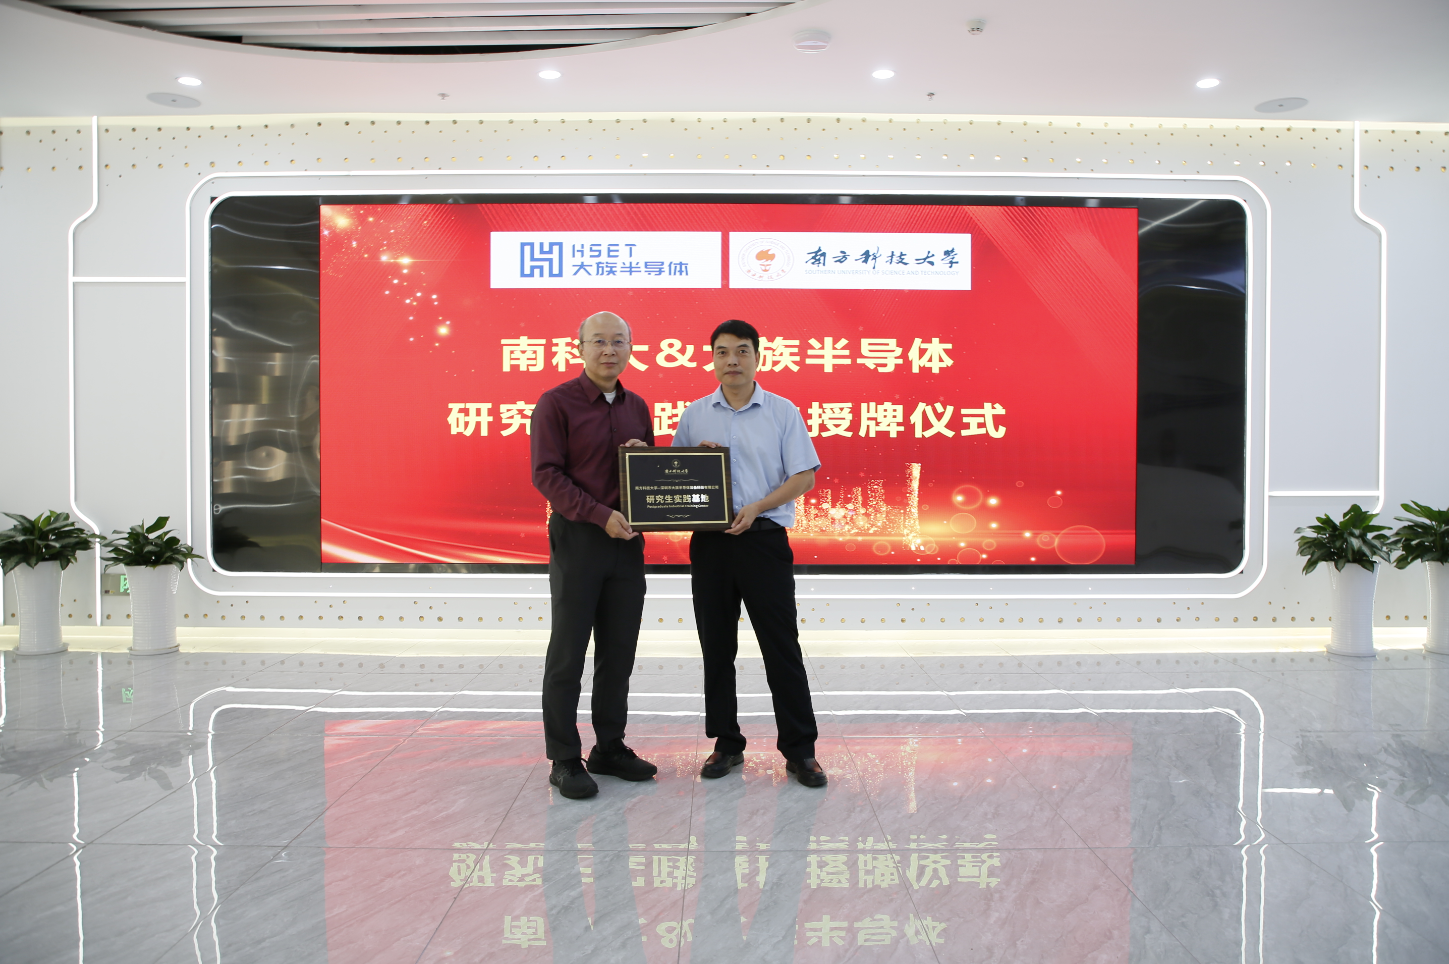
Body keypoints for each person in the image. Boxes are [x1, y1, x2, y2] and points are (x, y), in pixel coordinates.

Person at [672, 319, 827, 787]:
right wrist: (694, 465)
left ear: (758, 357)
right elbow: (673, 478)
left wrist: (757, 506)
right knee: (716, 647)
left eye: (742, 351)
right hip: (711, 545)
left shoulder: (782, 412)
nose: (732, 360)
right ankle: (726, 743)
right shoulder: (695, 415)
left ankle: (800, 750)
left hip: (764, 541)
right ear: (712, 359)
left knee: (781, 646)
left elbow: (804, 476)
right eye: (722, 352)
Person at [531, 310, 658, 799]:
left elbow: (645, 477)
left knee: (618, 651)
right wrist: (598, 514)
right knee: (568, 652)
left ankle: (610, 747)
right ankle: (564, 757)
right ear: (579, 347)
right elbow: (546, 474)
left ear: (631, 349)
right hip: (579, 539)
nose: (609, 350)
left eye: (618, 341)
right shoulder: (556, 403)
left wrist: (644, 459)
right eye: (599, 341)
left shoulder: (637, 406)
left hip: (627, 543)